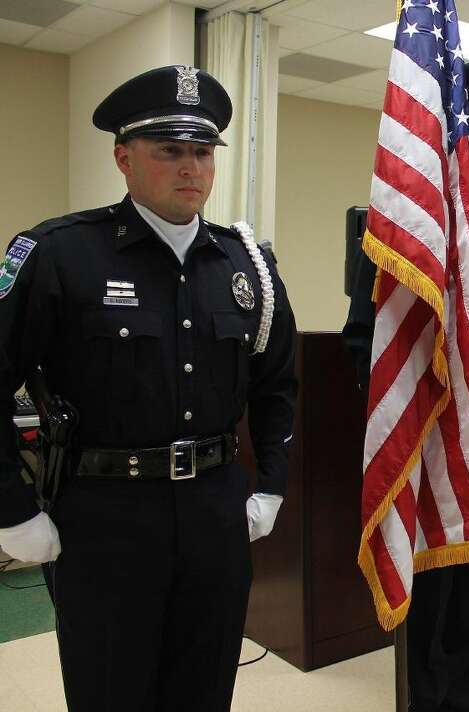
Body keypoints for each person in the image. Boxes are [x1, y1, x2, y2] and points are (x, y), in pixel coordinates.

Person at [0, 66, 297, 712]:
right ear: (124, 158)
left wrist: (271, 483)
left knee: (204, 687)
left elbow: (279, 385)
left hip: (216, 516)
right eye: (169, 150)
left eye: (202, 151)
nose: (191, 167)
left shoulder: (245, 266)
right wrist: (13, 508)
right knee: (111, 691)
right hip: (106, 518)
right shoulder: (59, 254)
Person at [343, 50, 469, 712]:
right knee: (432, 599)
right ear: (462, 113)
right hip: (427, 426)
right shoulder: (415, 213)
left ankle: (462, 700)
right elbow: (363, 340)